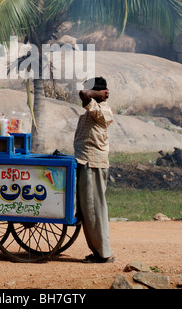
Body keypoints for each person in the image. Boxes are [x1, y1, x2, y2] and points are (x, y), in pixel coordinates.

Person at [74, 76, 114, 263]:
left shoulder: (102, 110)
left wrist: (99, 93)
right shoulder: (91, 110)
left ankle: (103, 253)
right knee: (88, 210)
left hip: (93, 164)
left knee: (94, 209)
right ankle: (99, 251)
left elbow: (83, 93)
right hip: (86, 163)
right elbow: (83, 95)